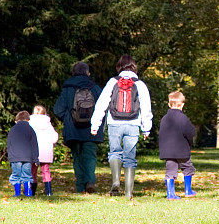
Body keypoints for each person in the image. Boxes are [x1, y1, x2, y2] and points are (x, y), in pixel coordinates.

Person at [90, 55, 153, 199]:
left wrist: (95, 124)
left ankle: (116, 181)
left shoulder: (113, 82)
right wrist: (146, 128)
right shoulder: (140, 84)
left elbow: (102, 103)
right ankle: (129, 193)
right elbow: (146, 107)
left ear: (119, 67)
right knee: (130, 157)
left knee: (114, 152)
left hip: (114, 123)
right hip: (133, 123)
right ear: (134, 67)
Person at [53, 61, 102, 193]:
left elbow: (58, 109)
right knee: (90, 156)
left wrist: (69, 119)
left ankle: (80, 186)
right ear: (87, 72)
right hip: (91, 129)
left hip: (73, 129)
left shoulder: (68, 87)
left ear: (73, 72)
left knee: (77, 157)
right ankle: (90, 181)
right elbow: (103, 108)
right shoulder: (95, 87)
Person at [158, 91, 197, 200]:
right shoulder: (183, 118)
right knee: (188, 168)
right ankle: (188, 191)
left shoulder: (164, 119)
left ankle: (170, 194)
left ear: (169, 104)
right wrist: (190, 143)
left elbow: (161, 134)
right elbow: (190, 132)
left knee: (170, 171)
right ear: (182, 105)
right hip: (181, 150)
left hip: (168, 151)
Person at [7, 111, 39, 197]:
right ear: (28, 120)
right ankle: (28, 193)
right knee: (27, 175)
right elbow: (34, 145)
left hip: (15, 157)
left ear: (16, 120)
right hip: (28, 158)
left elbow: (9, 144)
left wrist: (10, 157)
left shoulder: (12, 129)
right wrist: (36, 159)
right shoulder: (31, 130)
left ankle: (17, 193)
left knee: (16, 175)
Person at [29, 105, 58, 196]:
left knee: (32, 171)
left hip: (33, 150)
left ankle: (31, 191)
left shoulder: (30, 123)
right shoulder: (48, 124)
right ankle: (48, 191)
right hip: (46, 150)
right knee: (46, 170)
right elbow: (54, 137)